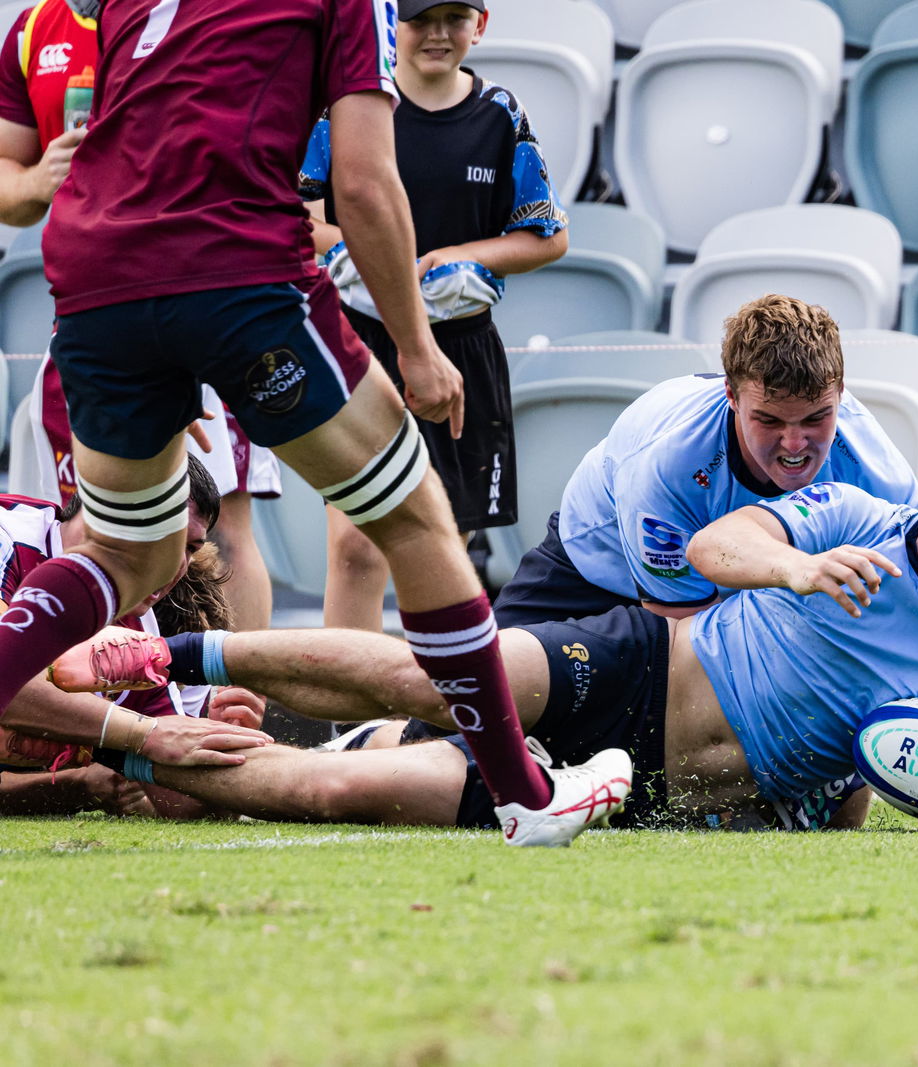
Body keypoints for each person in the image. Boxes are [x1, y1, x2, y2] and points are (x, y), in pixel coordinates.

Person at [0, 0, 598, 848]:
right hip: (235, 267)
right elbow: (361, 182)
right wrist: (419, 349)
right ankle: (526, 796)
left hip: (96, 273)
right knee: (416, 516)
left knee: (123, 552)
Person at [57, 389, 918, 834]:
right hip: (639, 661)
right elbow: (713, 546)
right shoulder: (855, 516)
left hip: (652, 793)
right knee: (428, 672)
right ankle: (158, 646)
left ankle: (126, 755)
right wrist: (795, 570)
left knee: (345, 785)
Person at [0, 0, 282, 632]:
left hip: (208, 303)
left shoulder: (206, 12)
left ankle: (236, 706)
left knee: (216, 526)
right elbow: (7, 184)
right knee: (88, 522)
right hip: (86, 318)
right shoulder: (33, 30)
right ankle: (118, 698)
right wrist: (36, 181)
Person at [298, 0, 569, 631]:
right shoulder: (347, 108)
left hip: (461, 350)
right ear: (393, 26)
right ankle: (352, 721)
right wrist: (353, 250)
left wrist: (459, 257)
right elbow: (294, 215)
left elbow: (547, 235)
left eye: (455, 16)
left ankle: (446, 716)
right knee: (356, 548)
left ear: (481, 24)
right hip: (356, 343)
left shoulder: (500, 114)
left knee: (447, 552)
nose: (439, 34)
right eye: (422, 18)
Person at [495, 293, 918, 627]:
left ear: (841, 391)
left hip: (748, 581)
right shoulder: (669, 463)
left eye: (816, 418)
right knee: (467, 696)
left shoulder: (875, 467)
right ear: (731, 396)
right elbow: (679, 635)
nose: (795, 444)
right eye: (769, 420)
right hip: (598, 568)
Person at [0, 454, 272, 816]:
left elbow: (181, 799)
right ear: (109, 513)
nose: (176, 567)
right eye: (165, 538)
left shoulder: (138, 633)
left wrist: (217, 744)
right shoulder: (9, 535)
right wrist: (142, 734)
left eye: (191, 548)